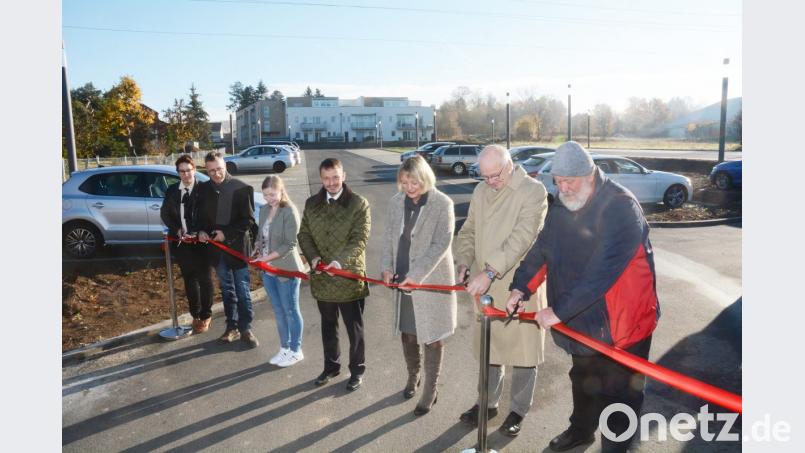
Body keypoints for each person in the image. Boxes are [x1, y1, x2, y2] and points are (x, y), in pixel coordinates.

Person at [507, 141, 660, 453]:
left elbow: (601, 273)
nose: (563, 188)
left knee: (621, 393)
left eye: (569, 181)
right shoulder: (563, 204)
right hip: (581, 318)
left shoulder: (620, 207)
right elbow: (544, 248)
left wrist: (557, 311)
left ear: (590, 175)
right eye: (558, 181)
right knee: (583, 378)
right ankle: (581, 431)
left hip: (622, 322)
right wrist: (521, 287)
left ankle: (616, 448)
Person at [454, 144, 549, 437]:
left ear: (510, 166)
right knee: (489, 350)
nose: (491, 182)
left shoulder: (533, 191)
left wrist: (489, 271)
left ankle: (518, 410)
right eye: (485, 177)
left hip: (519, 287)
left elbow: (522, 238)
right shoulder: (481, 191)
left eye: (495, 176)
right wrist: (464, 260)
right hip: (485, 288)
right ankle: (487, 403)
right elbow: (469, 230)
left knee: (524, 355)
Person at [380, 155, 457, 416]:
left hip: (430, 281)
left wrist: (417, 274)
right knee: (408, 333)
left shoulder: (442, 204)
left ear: (425, 178)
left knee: (432, 337)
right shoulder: (395, 202)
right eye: (404, 183)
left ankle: (430, 390)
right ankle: (413, 375)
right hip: (402, 279)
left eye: (414, 182)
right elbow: (388, 237)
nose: (409, 188)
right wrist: (387, 267)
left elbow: (441, 244)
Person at [298, 158, 371, 391]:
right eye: (326, 178)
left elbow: (359, 239)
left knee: (354, 329)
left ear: (344, 176)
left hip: (348, 277)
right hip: (322, 279)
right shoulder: (312, 204)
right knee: (328, 326)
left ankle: (357, 371)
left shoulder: (359, 204)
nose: (331, 183)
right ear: (321, 178)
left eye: (335, 177)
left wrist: (339, 262)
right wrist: (314, 258)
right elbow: (304, 235)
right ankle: (331, 366)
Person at [197, 151, 259, 348]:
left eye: (219, 169)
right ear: (206, 171)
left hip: (237, 249)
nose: (216, 174)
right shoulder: (203, 189)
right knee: (226, 290)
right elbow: (200, 217)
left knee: (242, 290)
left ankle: (246, 328)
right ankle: (231, 327)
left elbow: (248, 220)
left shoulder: (241, 187)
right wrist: (201, 231)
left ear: (225, 166)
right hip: (217, 251)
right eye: (211, 171)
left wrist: (226, 234)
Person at [252, 175, 306, 367]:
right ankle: (285, 348)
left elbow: (290, 244)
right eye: (266, 195)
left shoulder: (289, 211)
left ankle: (296, 350)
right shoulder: (264, 209)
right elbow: (261, 235)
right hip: (268, 271)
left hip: (286, 270)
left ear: (281, 191)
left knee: (290, 311)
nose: (269, 199)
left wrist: (265, 259)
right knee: (279, 311)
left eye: (272, 194)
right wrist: (257, 248)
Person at [159, 154, 214, 334]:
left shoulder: (205, 189)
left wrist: (203, 231)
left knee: (204, 279)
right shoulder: (172, 190)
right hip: (182, 244)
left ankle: (206, 315)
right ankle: (195, 314)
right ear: (178, 173)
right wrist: (177, 230)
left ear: (194, 170)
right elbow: (165, 214)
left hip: (202, 243)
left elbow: (211, 215)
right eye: (182, 171)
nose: (186, 174)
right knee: (190, 279)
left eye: (188, 170)